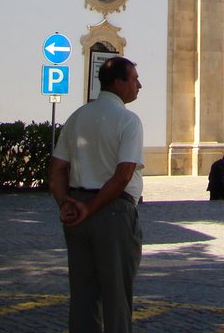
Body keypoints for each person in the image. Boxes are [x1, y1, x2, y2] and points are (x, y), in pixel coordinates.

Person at [49, 56, 144, 333]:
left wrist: (67, 204)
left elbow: (55, 171)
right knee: (117, 296)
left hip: (77, 213)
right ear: (118, 83)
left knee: (83, 295)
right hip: (113, 213)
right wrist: (92, 208)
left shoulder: (77, 116)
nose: (139, 85)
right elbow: (123, 174)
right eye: (134, 79)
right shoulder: (128, 121)